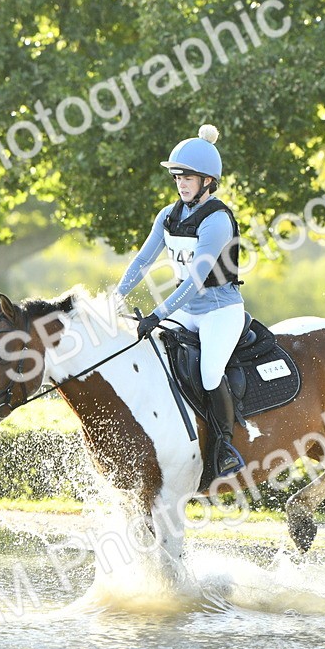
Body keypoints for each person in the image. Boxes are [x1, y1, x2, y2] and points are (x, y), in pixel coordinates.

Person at [116, 124, 246, 478]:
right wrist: (115, 296)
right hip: (185, 311)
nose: (182, 183)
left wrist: (156, 314)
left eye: (189, 177)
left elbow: (195, 281)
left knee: (208, 374)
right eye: (177, 177)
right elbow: (142, 261)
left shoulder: (217, 220)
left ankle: (224, 448)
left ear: (208, 181)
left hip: (220, 311)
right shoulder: (169, 216)